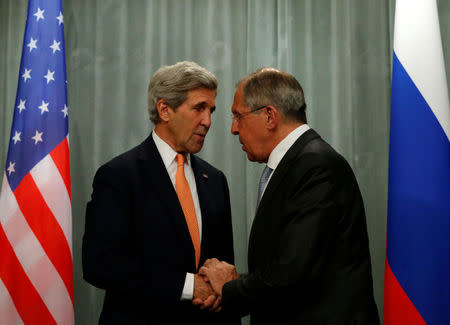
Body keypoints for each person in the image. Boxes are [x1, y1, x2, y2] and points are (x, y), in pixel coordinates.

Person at [198, 68, 380, 324]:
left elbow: (291, 274)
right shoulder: (297, 163)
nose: (233, 129)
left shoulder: (316, 166)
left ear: (270, 116)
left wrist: (228, 288)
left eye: (238, 116)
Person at [82, 61, 240, 325]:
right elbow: (100, 264)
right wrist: (189, 286)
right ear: (165, 109)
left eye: (211, 110)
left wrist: (220, 293)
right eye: (199, 108)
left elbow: (221, 267)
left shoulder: (214, 180)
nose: (208, 121)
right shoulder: (119, 176)